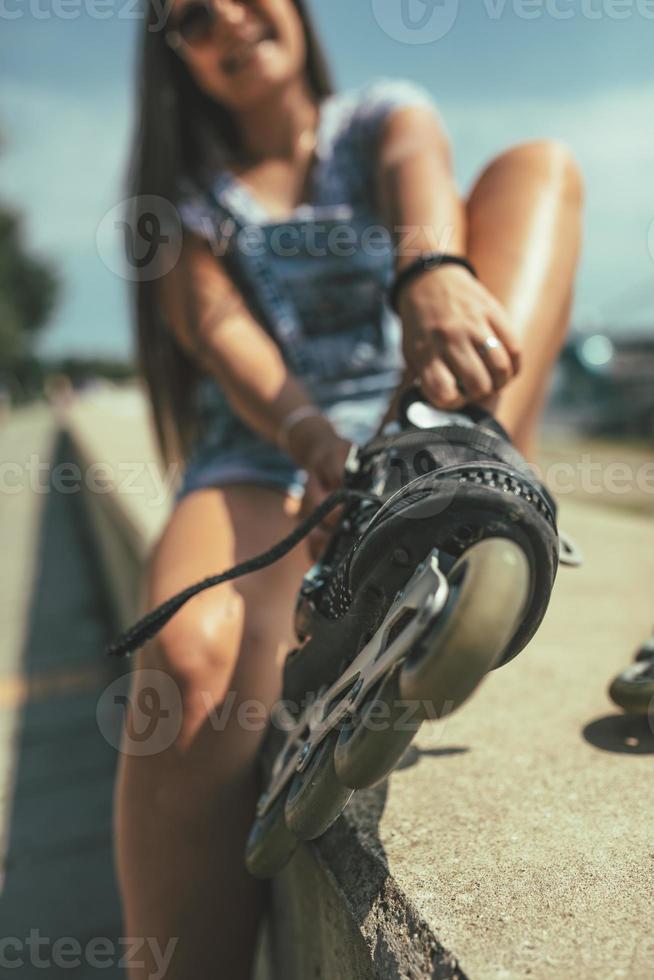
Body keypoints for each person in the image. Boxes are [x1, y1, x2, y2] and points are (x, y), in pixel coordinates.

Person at [114, 1, 584, 976]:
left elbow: (420, 175)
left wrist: (432, 273)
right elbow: (227, 338)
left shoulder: (378, 114)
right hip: (270, 445)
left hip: (423, 399)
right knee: (188, 656)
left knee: (540, 166)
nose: (230, 22)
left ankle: (455, 473)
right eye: (193, 16)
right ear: (176, 54)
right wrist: (315, 437)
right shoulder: (182, 203)